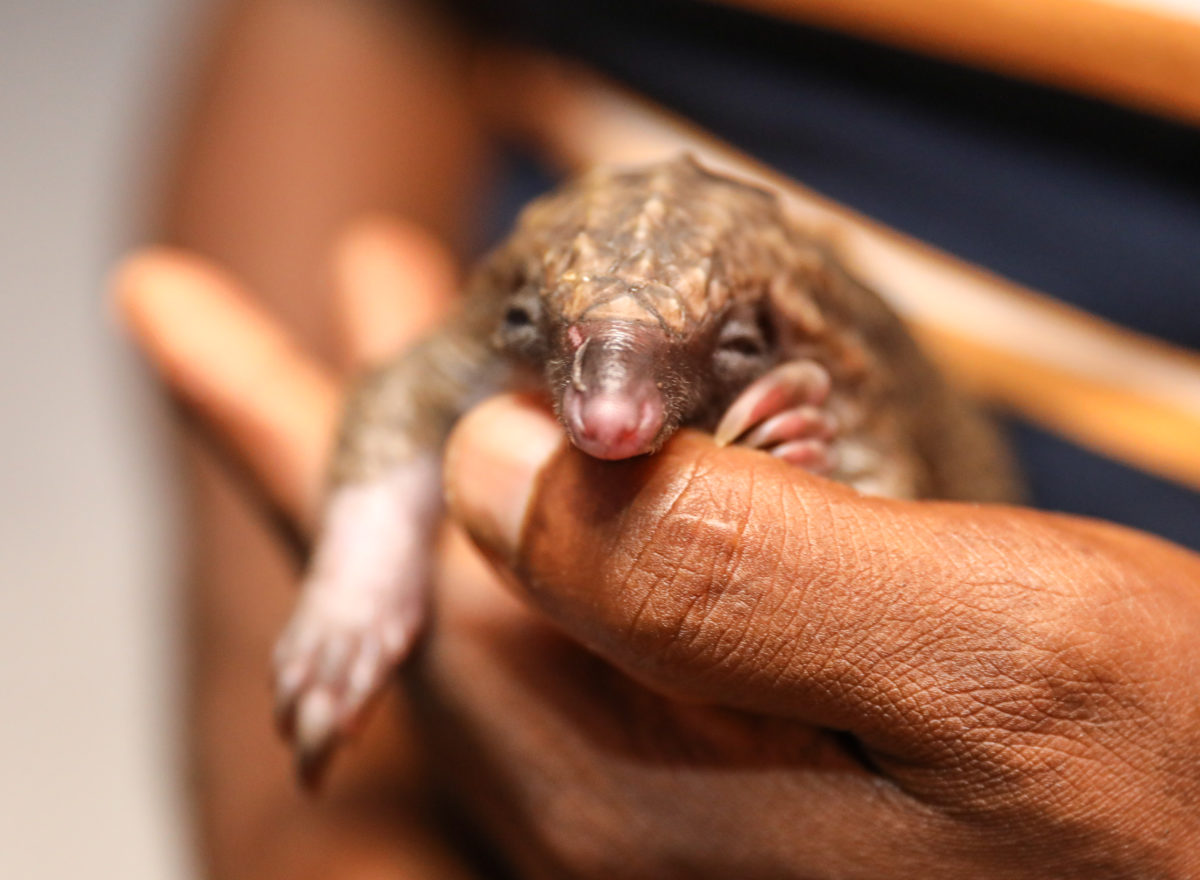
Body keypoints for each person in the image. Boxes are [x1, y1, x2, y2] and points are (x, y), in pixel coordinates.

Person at [115, 0, 1200, 876]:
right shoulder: (514, 305)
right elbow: (410, 380)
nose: (612, 418)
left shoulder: (841, 364)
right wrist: (339, 679)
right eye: (577, 359)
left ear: (766, 338)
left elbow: (907, 474)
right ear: (530, 321)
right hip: (462, 742)